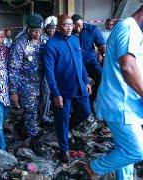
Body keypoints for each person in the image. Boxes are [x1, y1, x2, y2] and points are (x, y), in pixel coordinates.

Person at [83, 6, 143, 179]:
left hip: (127, 103)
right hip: (121, 103)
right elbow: (128, 67)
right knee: (136, 151)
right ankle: (94, 168)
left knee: (124, 151)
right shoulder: (129, 28)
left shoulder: (133, 30)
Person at [44, 15, 91, 163]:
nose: (70, 27)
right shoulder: (51, 44)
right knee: (62, 119)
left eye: (71, 24)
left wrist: (86, 80)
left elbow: (80, 63)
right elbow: (49, 72)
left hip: (79, 86)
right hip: (62, 91)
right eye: (66, 25)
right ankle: (64, 149)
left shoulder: (75, 40)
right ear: (58, 27)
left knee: (85, 112)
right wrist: (55, 93)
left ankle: (63, 132)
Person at [8, 14, 48, 153]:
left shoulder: (45, 40)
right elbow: (13, 69)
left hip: (41, 82)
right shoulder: (20, 44)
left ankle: (24, 127)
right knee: (30, 111)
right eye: (34, 30)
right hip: (26, 84)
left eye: (39, 30)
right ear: (28, 28)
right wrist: (13, 92)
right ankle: (34, 139)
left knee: (38, 109)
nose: (37, 33)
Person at [72, 14, 105, 112]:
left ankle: (92, 101)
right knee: (76, 85)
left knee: (102, 78)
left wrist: (105, 56)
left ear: (83, 23)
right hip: (75, 65)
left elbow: (102, 46)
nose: (78, 29)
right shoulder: (68, 32)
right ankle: (77, 107)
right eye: (75, 26)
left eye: (80, 26)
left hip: (90, 62)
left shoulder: (92, 29)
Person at [42, 15, 58, 123]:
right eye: (50, 27)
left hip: (56, 71)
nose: (52, 30)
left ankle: (49, 113)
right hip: (45, 71)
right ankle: (44, 116)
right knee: (46, 94)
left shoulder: (57, 38)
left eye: (54, 27)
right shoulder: (42, 39)